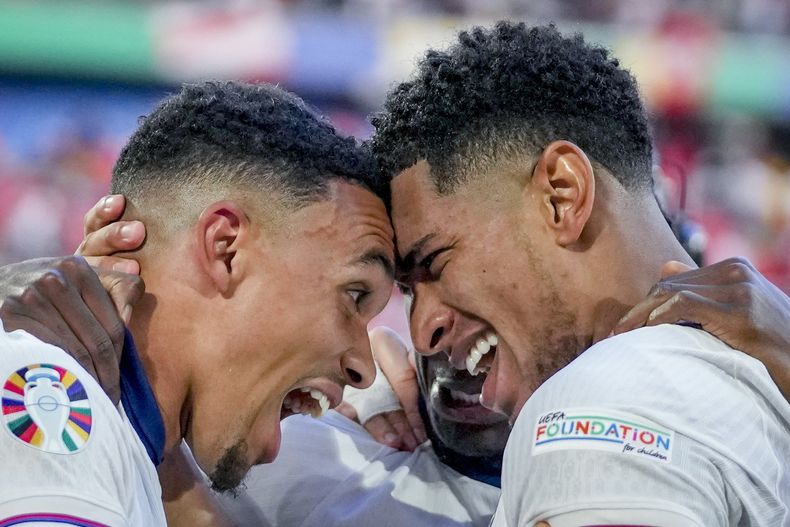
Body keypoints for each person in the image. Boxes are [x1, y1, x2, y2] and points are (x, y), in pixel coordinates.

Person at [372, 22, 790, 525]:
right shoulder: (756, 381)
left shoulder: (598, 404)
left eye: (434, 262)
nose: (420, 331)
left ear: (560, 196)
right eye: (406, 290)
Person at [0, 80, 396, 525]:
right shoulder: (50, 395)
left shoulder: (129, 452)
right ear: (225, 248)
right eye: (355, 294)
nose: (364, 366)